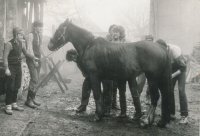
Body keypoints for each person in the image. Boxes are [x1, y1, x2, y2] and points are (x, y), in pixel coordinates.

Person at [3, 27, 38, 115]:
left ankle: (14, 103)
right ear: (15, 34)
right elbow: (5, 57)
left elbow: (26, 53)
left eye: (23, 35)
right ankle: (8, 105)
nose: (22, 36)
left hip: (18, 66)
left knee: (17, 85)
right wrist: (6, 68)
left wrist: (34, 57)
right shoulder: (9, 44)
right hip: (10, 67)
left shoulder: (21, 44)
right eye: (20, 35)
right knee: (10, 86)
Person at [156, 39, 189, 124]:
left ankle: (184, 116)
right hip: (172, 69)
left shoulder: (175, 50)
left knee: (181, 91)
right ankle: (171, 113)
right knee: (169, 91)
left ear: (165, 47)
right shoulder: (161, 51)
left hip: (181, 70)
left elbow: (183, 67)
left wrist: (172, 76)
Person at [25, 21, 43, 109]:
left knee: (37, 79)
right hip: (32, 59)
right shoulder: (30, 35)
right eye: (39, 27)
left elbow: (39, 48)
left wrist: (41, 57)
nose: (40, 28)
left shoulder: (39, 35)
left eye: (41, 27)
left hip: (38, 59)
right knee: (34, 79)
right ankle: (28, 100)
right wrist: (34, 60)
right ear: (35, 27)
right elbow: (29, 49)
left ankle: (33, 97)